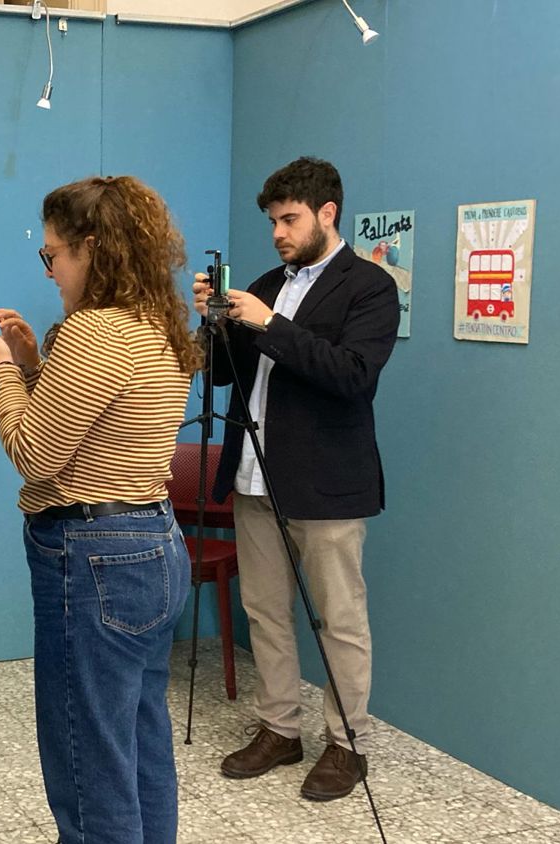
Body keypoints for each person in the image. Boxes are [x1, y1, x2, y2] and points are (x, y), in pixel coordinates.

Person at [0, 175, 197, 843]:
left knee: (88, 759)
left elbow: (35, 453)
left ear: (93, 249)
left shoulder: (96, 330)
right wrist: (38, 365)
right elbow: (85, 430)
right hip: (154, 545)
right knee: (139, 735)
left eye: (53, 254)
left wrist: (1, 364)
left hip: (94, 558)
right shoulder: (155, 321)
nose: (50, 270)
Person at [192, 156, 399, 801]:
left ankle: (347, 743)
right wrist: (216, 324)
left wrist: (267, 322)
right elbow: (226, 376)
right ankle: (280, 728)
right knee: (265, 612)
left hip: (327, 483)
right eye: (273, 221)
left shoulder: (369, 286)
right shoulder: (263, 283)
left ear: (326, 213)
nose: (279, 232)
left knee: (339, 617)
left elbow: (352, 375)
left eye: (290, 219)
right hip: (254, 477)